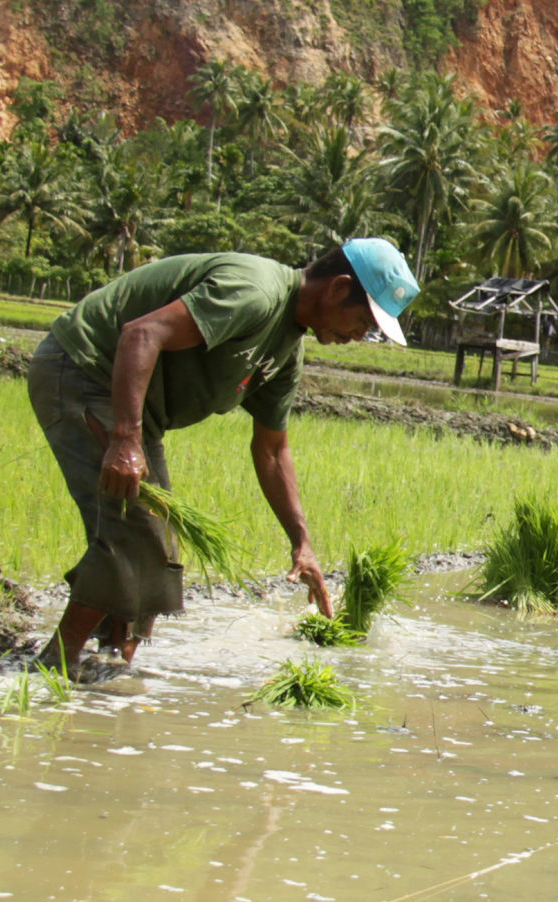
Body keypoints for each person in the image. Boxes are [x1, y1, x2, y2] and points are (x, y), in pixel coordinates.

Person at [26, 238, 420, 679]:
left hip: (137, 410)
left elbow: (272, 450)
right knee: (137, 535)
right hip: (83, 370)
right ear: (337, 288)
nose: (360, 337)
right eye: (365, 321)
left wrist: (301, 542)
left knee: (164, 546)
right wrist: (124, 438)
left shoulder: (286, 351)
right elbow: (142, 333)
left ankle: (110, 667)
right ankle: (55, 666)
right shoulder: (254, 292)